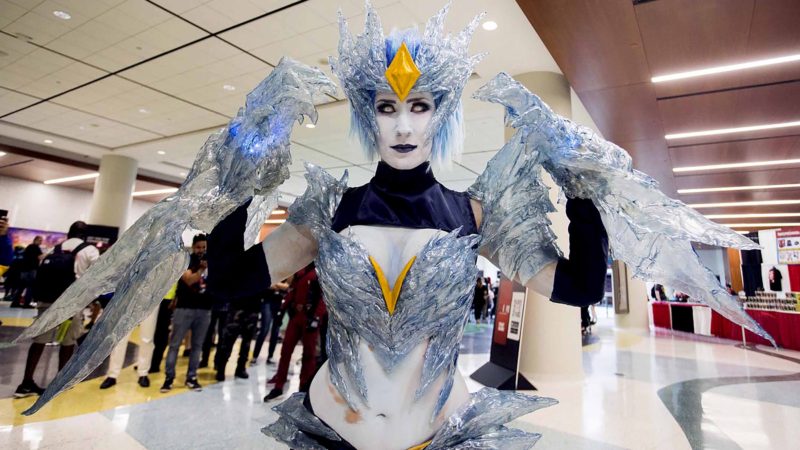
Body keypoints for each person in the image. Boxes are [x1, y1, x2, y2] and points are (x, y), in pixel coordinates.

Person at [25, 3, 776, 447]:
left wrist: (583, 193)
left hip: (438, 433)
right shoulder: (328, 209)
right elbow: (228, 283)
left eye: (420, 106)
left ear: (441, 114)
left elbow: (578, 287)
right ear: (367, 114)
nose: (404, 123)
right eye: (386, 106)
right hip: (334, 431)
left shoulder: (476, 211)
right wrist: (235, 189)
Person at [14, 221, 99, 398]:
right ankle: (60, 382)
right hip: (70, 304)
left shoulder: (55, 248)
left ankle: (26, 383)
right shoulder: (89, 250)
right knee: (67, 342)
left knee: (39, 342)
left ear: (69, 233)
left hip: (47, 300)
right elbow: (97, 275)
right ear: (85, 235)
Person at [263, 264, 326, 401]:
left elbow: (324, 297)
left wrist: (316, 316)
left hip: (310, 317)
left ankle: (304, 387)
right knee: (285, 351)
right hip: (296, 315)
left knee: (309, 355)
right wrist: (283, 309)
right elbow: (292, 290)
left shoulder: (322, 270)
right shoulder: (300, 268)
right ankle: (279, 386)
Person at [160, 234, 211, 393]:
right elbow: (188, 280)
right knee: (175, 345)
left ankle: (192, 377)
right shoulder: (186, 260)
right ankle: (169, 378)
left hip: (204, 310)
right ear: (193, 247)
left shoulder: (213, 262)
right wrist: (201, 269)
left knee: (197, 346)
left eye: (204, 247)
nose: (201, 250)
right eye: (198, 247)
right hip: (184, 308)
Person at [250, 281, 287, 365]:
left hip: (279, 302)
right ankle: (255, 356)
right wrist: (279, 286)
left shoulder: (285, 270)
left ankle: (270, 356)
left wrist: (275, 285)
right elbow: (266, 284)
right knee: (264, 329)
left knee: (276, 331)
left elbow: (287, 286)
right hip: (268, 300)